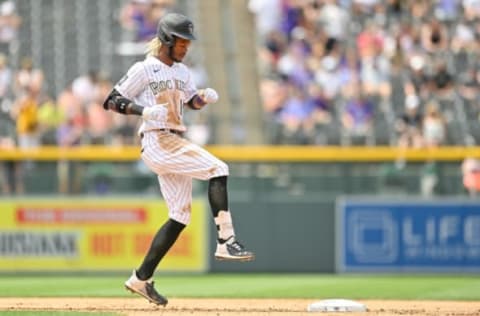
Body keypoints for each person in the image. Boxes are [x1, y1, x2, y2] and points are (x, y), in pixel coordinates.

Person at [102, 13, 254, 306]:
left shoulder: (183, 72)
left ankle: (140, 278)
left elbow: (190, 102)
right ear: (167, 40)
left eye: (187, 43)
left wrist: (202, 99)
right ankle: (226, 240)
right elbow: (112, 100)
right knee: (218, 168)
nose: (186, 48)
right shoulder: (144, 69)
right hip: (157, 139)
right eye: (181, 42)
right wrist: (141, 111)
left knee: (180, 216)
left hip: (173, 138)